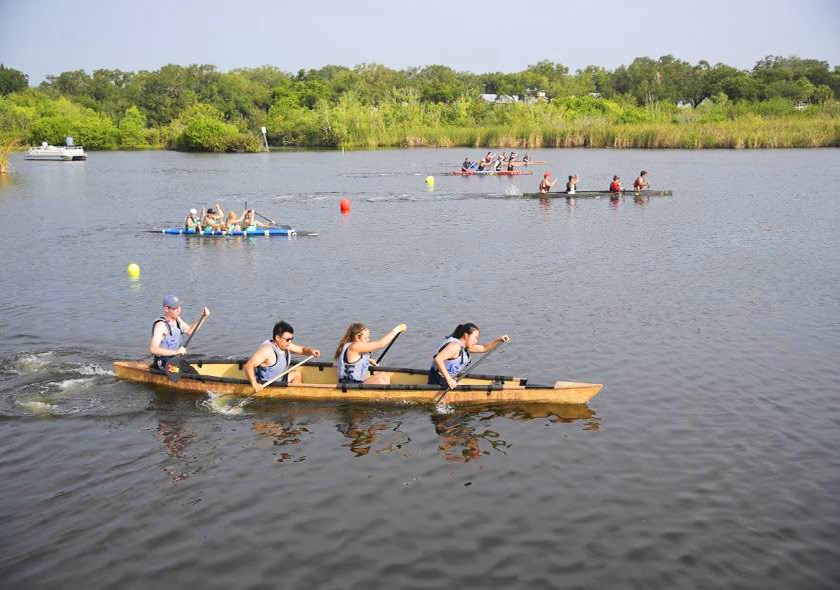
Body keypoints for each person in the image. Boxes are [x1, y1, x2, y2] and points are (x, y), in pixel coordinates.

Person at [244, 320, 321, 393]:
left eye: (291, 339)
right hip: (268, 384)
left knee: (296, 374)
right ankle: (292, 395)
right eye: (287, 339)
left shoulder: (287, 346)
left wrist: (311, 351)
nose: (290, 342)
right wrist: (255, 384)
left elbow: (302, 350)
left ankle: (294, 395)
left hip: (279, 380)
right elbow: (248, 366)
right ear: (277, 338)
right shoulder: (267, 351)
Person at [428, 323, 510, 389]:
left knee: (463, 386)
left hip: (445, 379)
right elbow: (438, 359)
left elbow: (484, 348)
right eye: (475, 338)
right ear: (466, 336)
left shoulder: (465, 346)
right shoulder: (455, 346)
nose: (476, 341)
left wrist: (499, 340)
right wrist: (449, 379)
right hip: (438, 380)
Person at [149, 294, 210, 372]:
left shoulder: (177, 320)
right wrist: (176, 352)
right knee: (190, 372)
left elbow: (190, 331)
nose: (179, 310)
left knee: (202, 357)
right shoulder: (161, 325)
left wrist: (203, 317)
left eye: (179, 307)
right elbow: (153, 349)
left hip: (175, 358)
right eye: (175, 308)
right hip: (163, 363)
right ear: (166, 309)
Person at [334, 322, 406, 385]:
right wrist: (397, 329)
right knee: (383, 376)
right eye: (366, 338)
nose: (368, 340)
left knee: (386, 374)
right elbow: (380, 344)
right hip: (351, 386)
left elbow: (352, 361)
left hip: (349, 384)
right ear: (357, 337)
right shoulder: (355, 346)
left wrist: (369, 360)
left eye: (369, 337)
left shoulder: (349, 346)